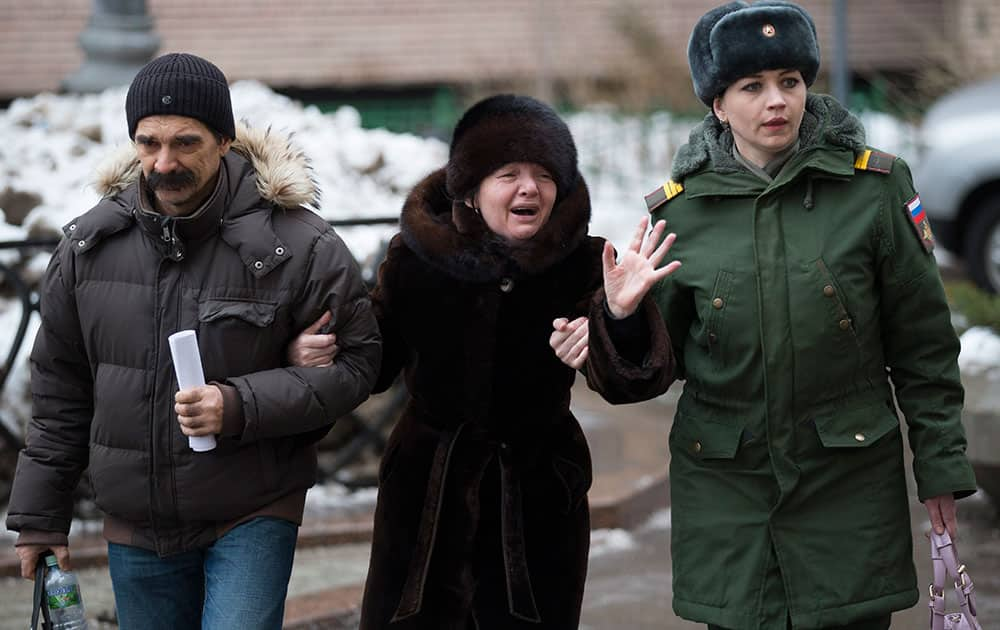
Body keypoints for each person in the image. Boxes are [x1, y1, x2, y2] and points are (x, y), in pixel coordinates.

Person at [555, 2, 979, 629]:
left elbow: (923, 347)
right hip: (730, 491)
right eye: (751, 86)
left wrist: (941, 467)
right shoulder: (680, 213)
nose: (775, 100)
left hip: (847, 481)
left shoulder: (875, 190)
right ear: (719, 106)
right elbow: (650, 369)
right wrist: (616, 321)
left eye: (789, 81)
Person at [5, 53, 382, 630]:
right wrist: (39, 518)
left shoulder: (300, 246)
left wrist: (238, 404)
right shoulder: (87, 249)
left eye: (186, 143)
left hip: (252, 511)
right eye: (148, 143)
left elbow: (359, 363)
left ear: (225, 141)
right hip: (137, 525)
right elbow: (61, 391)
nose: (164, 163)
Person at [291, 94, 679, 629]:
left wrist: (619, 316)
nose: (529, 188)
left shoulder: (587, 263)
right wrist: (321, 350)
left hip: (539, 498)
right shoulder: (416, 258)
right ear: (470, 191)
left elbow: (631, 380)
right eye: (508, 173)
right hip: (427, 496)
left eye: (544, 174)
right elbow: (372, 362)